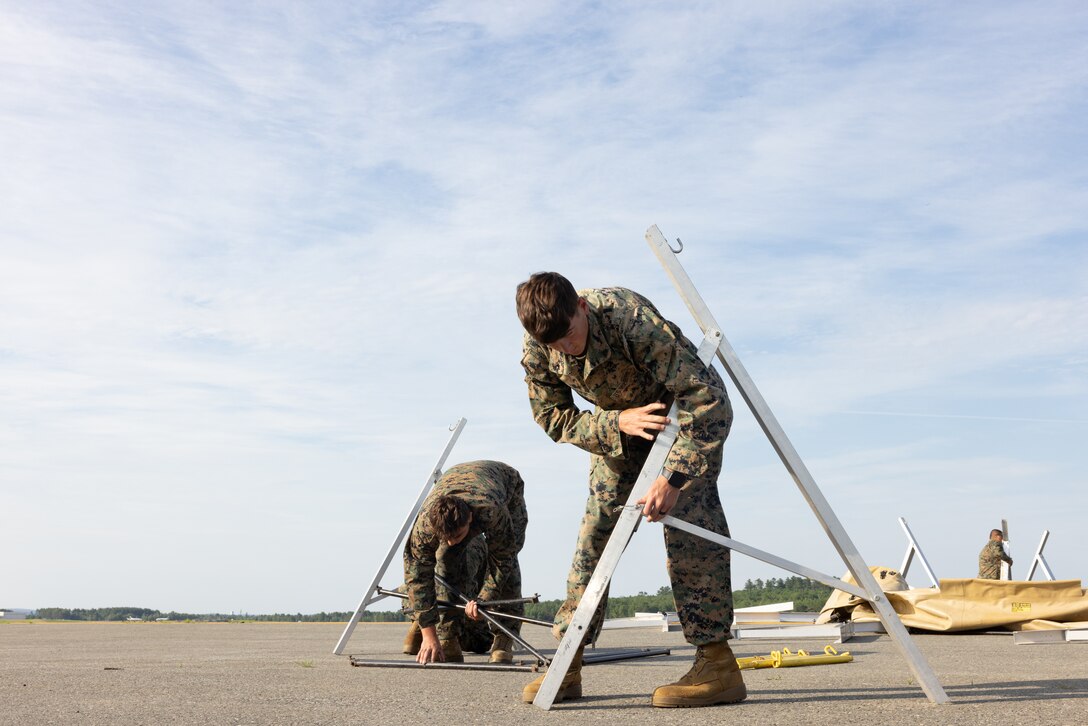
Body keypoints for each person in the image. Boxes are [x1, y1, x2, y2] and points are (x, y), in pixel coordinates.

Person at [515, 272, 745, 708]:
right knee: (594, 540)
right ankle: (568, 661)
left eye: (569, 334)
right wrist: (615, 423)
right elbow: (552, 418)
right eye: (554, 344)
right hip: (618, 432)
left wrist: (673, 478)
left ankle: (718, 665)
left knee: (689, 529)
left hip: (680, 425)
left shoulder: (628, 318)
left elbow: (709, 399)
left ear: (580, 307)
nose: (565, 348)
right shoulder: (539, 345)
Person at [402, 460, 528, 664]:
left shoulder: (491, 510)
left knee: (509, 558)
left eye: (458, 535)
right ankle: (447, 636)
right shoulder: (425, 526)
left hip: (505, 485)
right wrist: (429, 633)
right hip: (455, 479)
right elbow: (417, 576)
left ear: (470, 518)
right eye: (446, 537)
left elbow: (503, 559)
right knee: (445, 556)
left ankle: (504, 637)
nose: (452, 541)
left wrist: (484, 598)